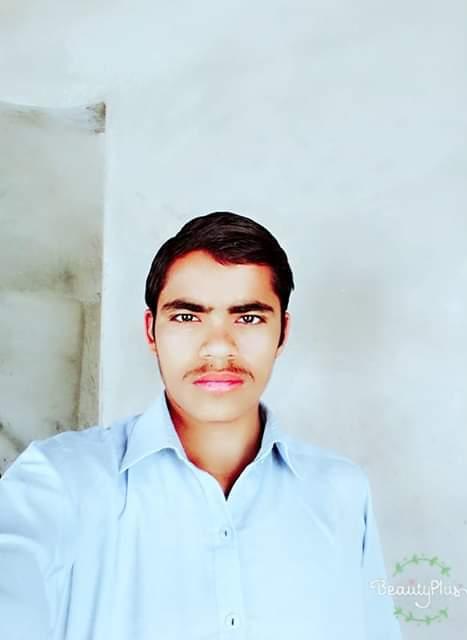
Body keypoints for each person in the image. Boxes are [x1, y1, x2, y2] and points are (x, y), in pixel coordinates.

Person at [0, 211, 401, 639]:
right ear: (151, 331)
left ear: (282, 333)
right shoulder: (57, 482)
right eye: (187, 317)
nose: (218, 348)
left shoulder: (341, 492)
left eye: (248, 318)